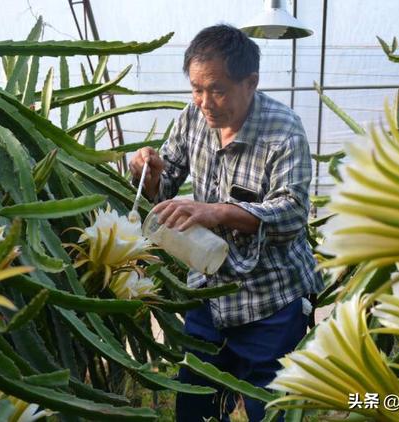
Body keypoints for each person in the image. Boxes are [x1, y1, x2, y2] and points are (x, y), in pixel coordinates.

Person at [129, 24, 323, 421]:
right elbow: (164, 183)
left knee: (266, 410)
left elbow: (290, 214)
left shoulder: (284, 131)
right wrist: (146, 172)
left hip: (271, 302)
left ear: (250, 82)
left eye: (216, 89)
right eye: (196, 89)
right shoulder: (193, 117)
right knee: (195, 403)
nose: (205, 102)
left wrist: (216, 211)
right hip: (209, 293)